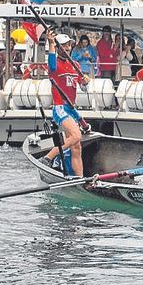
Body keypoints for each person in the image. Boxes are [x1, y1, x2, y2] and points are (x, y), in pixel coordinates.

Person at [40, 34, 87, 177]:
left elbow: (83, 88)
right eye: (65, 45)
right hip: (60, 107)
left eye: (69, 45)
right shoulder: (54, 65)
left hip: (71, 108)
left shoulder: (75, 65)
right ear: (59, 48)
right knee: (76, 135)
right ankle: (48, 158)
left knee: (76, 147)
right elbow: (52, 64)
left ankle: (79, 179)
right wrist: (51, 43)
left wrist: (85, 82)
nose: (68, 48)